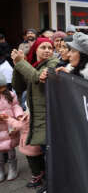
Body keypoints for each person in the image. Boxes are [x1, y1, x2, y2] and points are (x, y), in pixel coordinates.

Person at [11, 37, 59, 192]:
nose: (47, 50)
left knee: (49, 154)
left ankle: (51, 185)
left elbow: (36, 77)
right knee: (43, 152)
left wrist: (21, 63)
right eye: (43, 47)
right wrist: (17, 66)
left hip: (48, 117)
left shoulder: (53, 63)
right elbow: (18, 86)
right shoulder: (33, 65)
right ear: (35, 49)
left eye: (50, 48)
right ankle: (47, 182)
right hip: (35, 116)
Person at [0, 73, 24, 182]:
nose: (2, 89)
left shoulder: (10, 94)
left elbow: (15, 106)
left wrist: (18, 114)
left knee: (10, 149)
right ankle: (1, 170)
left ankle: (12, 168)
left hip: (9, 126)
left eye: (3, 87)